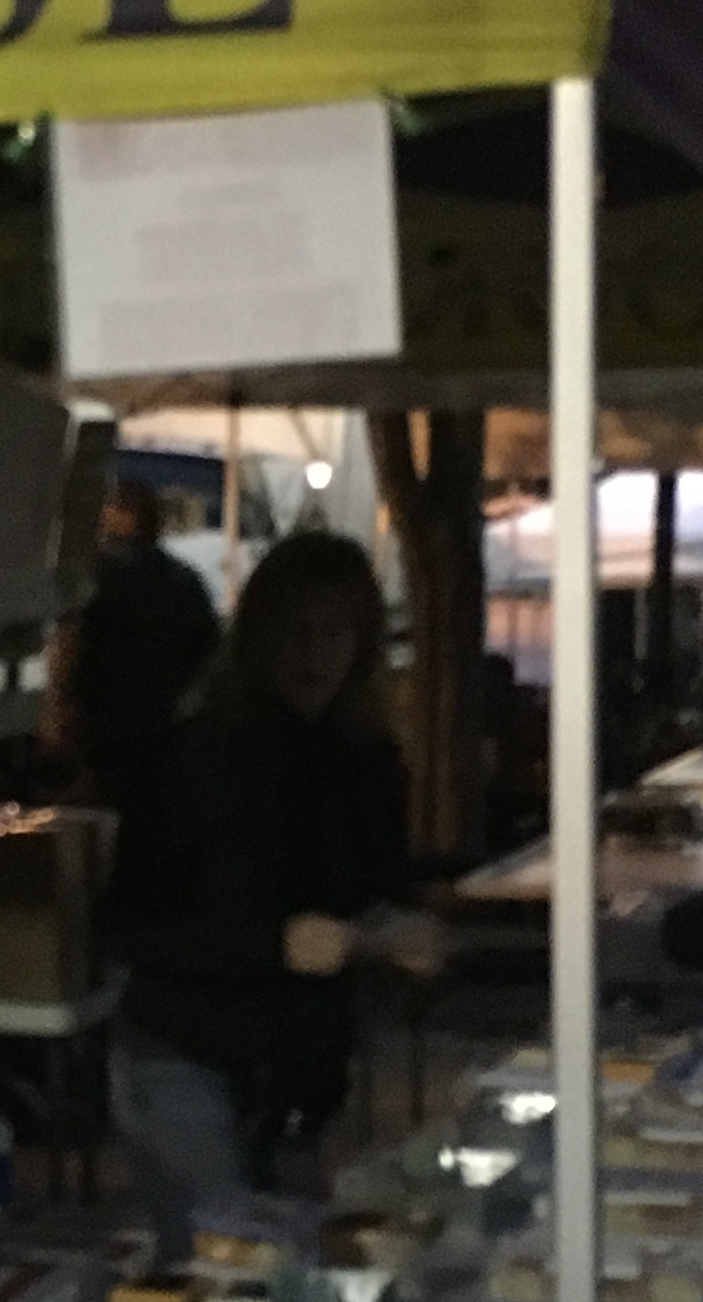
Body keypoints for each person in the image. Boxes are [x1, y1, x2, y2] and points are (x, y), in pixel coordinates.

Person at [103, 531, 442, 1251]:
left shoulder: (370, 759)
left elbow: (380, 887)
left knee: (284, 1272)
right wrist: (274, 943)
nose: (314, 654)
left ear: (363, 643)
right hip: (186, 1055)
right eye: (295, 633)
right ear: (257, 638)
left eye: (334, 633)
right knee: (227, 1271)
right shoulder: (194, 755)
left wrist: (401, 931)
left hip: (300, 1076)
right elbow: (131, 927)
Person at [64, 476, 223, 813]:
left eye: (111, 509)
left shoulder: (99, 573)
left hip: (108, 720)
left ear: (127, 515)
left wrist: (67, 701)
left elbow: (78, 641)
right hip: (165, 719)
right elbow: (209, 649)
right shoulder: (185, 579)